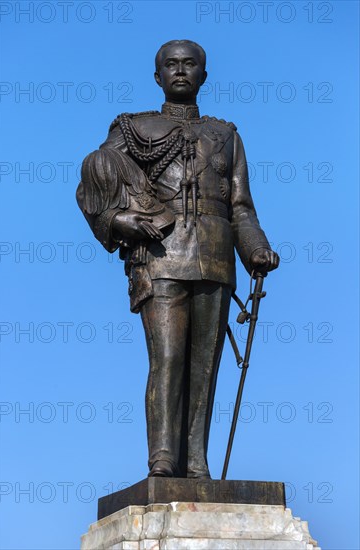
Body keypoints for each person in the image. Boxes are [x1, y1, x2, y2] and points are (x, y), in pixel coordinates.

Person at [76, 39, 279, 479]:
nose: (181, 71)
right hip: (160, 253)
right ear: (158, 76)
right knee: (167, 359)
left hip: (216, 257)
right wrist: (118, 221)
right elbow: (97, 177)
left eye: (190, 64)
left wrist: (256, 249)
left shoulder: (226, 136)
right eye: (171, 65)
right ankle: (163, 459)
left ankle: (196, 462)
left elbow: (241, 207)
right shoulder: (132, 129)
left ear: (204, 74)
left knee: (205, 367)